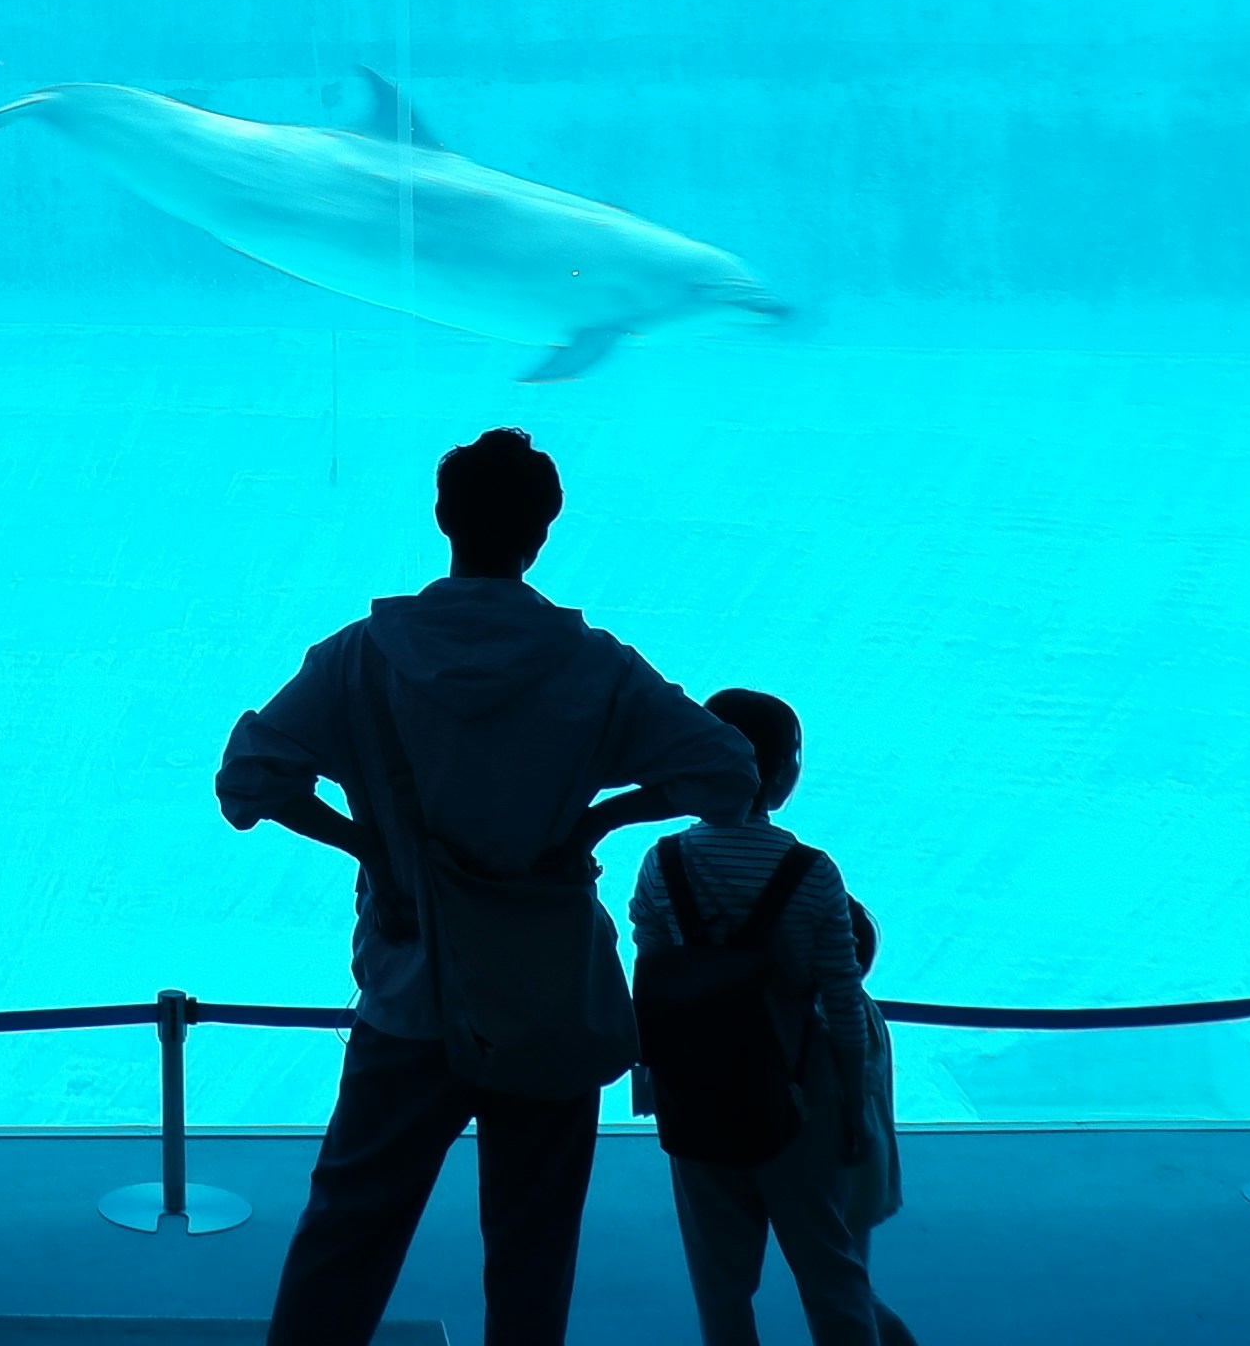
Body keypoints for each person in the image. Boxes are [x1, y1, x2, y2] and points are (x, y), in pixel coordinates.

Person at [219, 428, 758, 1346]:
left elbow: (248, 783)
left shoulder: (362, 657)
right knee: (533, 1250)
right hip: (551, 998)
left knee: (348, 1236)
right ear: (543, 532)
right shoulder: (596, 668)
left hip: (408, 993)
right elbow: (729, 773)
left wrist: (372, 847)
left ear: (442, 520)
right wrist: (600, 818)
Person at [630, 690, 910, 1346]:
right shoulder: (812, 873)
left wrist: (651, 1078)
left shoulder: (662, 863)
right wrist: (853, 1109)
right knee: (833, 1278)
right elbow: (841, 998)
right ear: (783, 776)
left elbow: (652, 976)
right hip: (800, 1094)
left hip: (696, 1094)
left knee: (720, 1287)